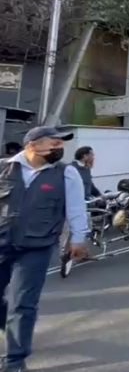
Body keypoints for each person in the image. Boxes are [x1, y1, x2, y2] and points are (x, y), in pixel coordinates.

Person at [0, 127, 89, 371]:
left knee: (23, 304)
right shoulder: (4, 168)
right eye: (55, 142)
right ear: (32, 145)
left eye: (62, 143)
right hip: (2, 242)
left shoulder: (65, 173)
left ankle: (15, 360)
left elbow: (76, 208)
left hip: (36, 247)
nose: (60, 147)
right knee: (10, 308)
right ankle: (12, 325)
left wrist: (78, 238)